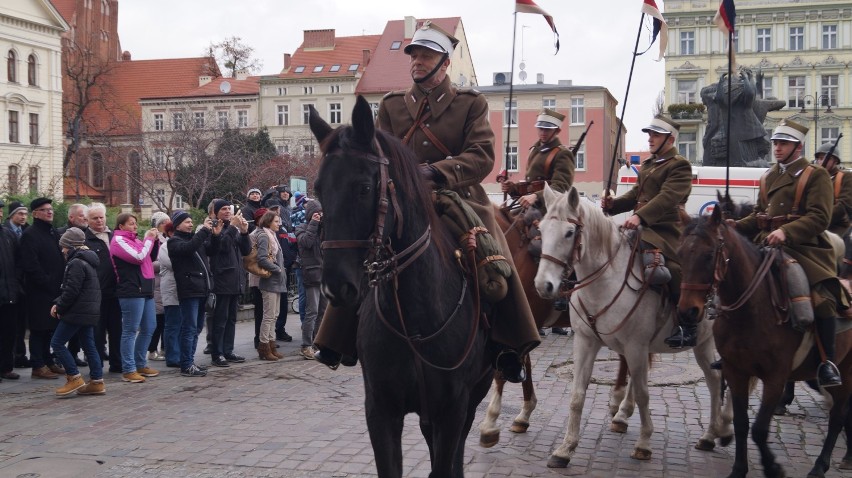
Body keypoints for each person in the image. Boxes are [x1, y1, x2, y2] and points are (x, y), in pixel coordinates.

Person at [314, 21, 539, 383]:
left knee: (495, 258)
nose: (417, 61)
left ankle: (510, 343)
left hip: (456, 195)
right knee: (362, 249)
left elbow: (482, 156)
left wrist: (435, 173)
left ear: (444, 63)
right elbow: (379, 152)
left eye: (426, 55)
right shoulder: (393, 105)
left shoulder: (470, 103)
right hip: (403, 199)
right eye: (414, 55)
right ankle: (334, 338)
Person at [734, 119, 843, 387]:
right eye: (775, 143)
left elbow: (820, 217)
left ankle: (827, 361)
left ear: (798, 146)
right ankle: (734, 349)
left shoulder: (814, 174)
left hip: (804, 248)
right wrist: (733, 227)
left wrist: (787, 231)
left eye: (783, 143)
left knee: (822, 299)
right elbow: (761, 216)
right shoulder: (769, 176)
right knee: (736, 284)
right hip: (766, 244)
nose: (777, 148)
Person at [602, 115, 692, 348]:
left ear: (669, 139)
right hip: (641, 227)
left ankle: (686, 325)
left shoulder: (679, 165)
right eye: (649, 135)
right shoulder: (650, 165)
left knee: (672, 270)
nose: (650, 139)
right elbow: (635, 195)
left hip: (666, 230)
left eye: (655, 135)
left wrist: (639, 216)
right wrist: (613, 204)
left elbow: (666, 198)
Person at [502, 108, 576, 320]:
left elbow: (561, 186)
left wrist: (536, 197)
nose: (543, 132)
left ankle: (562, 289)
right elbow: (531, 183)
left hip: (551, 208)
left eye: (547, 129)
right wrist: (513, 188)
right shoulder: (536, 149)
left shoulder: (562, 153)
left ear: (557, 130)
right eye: (541, 128)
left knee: (542, 245)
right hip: (531, 206)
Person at [50, 228, 104, 397]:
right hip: (89, 310)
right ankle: (97, 381)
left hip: (77, 311)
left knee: (57, 343)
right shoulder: (89, 261)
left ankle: (73, 377)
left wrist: (59, 306)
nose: (62, 250)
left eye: (64, 247)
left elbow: (71, 290)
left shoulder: (76, 263)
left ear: (72, 246)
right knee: (89, 345)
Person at [110, 213, 159, 383]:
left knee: (149, 327)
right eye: (131, 224)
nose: (135, 226)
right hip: (130, 289)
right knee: (130, 330)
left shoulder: (136, 240)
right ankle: (128, 368)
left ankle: (140, 363)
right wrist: (148, 240)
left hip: (145, 287)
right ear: (121, 226)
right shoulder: (118, 241)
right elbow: (138, 257)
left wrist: (155, 241)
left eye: (135, 223)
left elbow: (149, 256)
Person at [20, 197, 66, 379]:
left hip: (55, 290)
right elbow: (30, 265)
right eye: (45, 210)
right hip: (39, 291)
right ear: (35, 214)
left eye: (51, 209)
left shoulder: (52, 232)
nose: (50, 212)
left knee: (50, 328)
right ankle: (37, 365)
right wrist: (46, 281)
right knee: (39, 329)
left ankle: (48, 361)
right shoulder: (30, 234)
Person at [167, 210, 213, 377]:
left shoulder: (194, 238)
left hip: (201, 289)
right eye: (187, 222)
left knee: (197, 327)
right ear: (177, 225)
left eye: (191, 221)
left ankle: (190, 360)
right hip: (189, 290)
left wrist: (214, 234)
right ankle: (186, 364)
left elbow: (211, 250)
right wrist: (204, 231)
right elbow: (188, 248)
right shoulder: (174, 242)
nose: (191, 224)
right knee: (189, 328)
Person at [205, 199, 251, 367]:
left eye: (228, 209)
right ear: (215, 212)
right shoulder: (213, 228)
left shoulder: (234, 230)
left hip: (235, 280)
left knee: (231, 318)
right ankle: (217, 353)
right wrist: (232, 226)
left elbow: (246, 250)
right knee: (220, 319)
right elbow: (221, 246)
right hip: (222, 280)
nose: (227, 211)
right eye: (223, 209)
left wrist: (245, 232)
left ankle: (228, 350)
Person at [84, 202, 122, 373]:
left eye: (101, 217)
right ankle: (96, 365)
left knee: (117, 330)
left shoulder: (115, 236)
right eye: (95, 218)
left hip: (116, 291)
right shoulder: (85, 239)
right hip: (96, 294)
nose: (99, 221)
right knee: (97, 333)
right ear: (87, 220)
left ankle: (117, 363)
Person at [255, 210, 287, 360]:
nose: (278, 224)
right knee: (268, 316)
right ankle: (264, 347)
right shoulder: (264, 236)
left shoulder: (273, 236)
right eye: (276, 221)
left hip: (277, 281)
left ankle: (271, 345)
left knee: (274, 315)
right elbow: (262, 258)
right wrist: (277, 269)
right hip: (270, 281)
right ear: (268, 222)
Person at [297, 200, 327, 360]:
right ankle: (305, 345)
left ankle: (318, 342)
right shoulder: (301, 228)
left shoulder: (324, 229)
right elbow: (306, 243)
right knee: (312, 312)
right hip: (311, 275)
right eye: (317, 213)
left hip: (325, 275)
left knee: (323, 311)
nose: (320, 216)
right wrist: (314, 223)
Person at [6, 201, 29, 370]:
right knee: (10, 324)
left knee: (21, 322)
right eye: (20, 213)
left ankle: (20, 355)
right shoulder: (6, 232)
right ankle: (12, 356)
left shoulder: (27, 231)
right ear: (11, 215)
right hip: (10, 283)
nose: (23, 217)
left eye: (25, 214)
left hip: (24, 284)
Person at [0, 201, 21, 381]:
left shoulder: (7, 234)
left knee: (9, 332)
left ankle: (6, 367)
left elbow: (18, 262)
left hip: (10, 293)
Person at [814, 142, 852, 237]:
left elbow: (844, 206)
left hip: (837, 228)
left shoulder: (845, 177)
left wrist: (819, 218)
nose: (821, 162)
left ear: (835, 161)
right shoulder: (814, 179)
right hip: (815, 226)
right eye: (819, 158)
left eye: (825, 158)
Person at [148, 212, 171, 362]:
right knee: (158, 320)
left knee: (167, 320)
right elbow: (148, 262)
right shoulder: (153, 240)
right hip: (156, 284)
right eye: (164, 222)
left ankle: (165, 347)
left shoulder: (168, 239)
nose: (167, 225)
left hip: (166, 284)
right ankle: (152, 349)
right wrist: (163, 263)